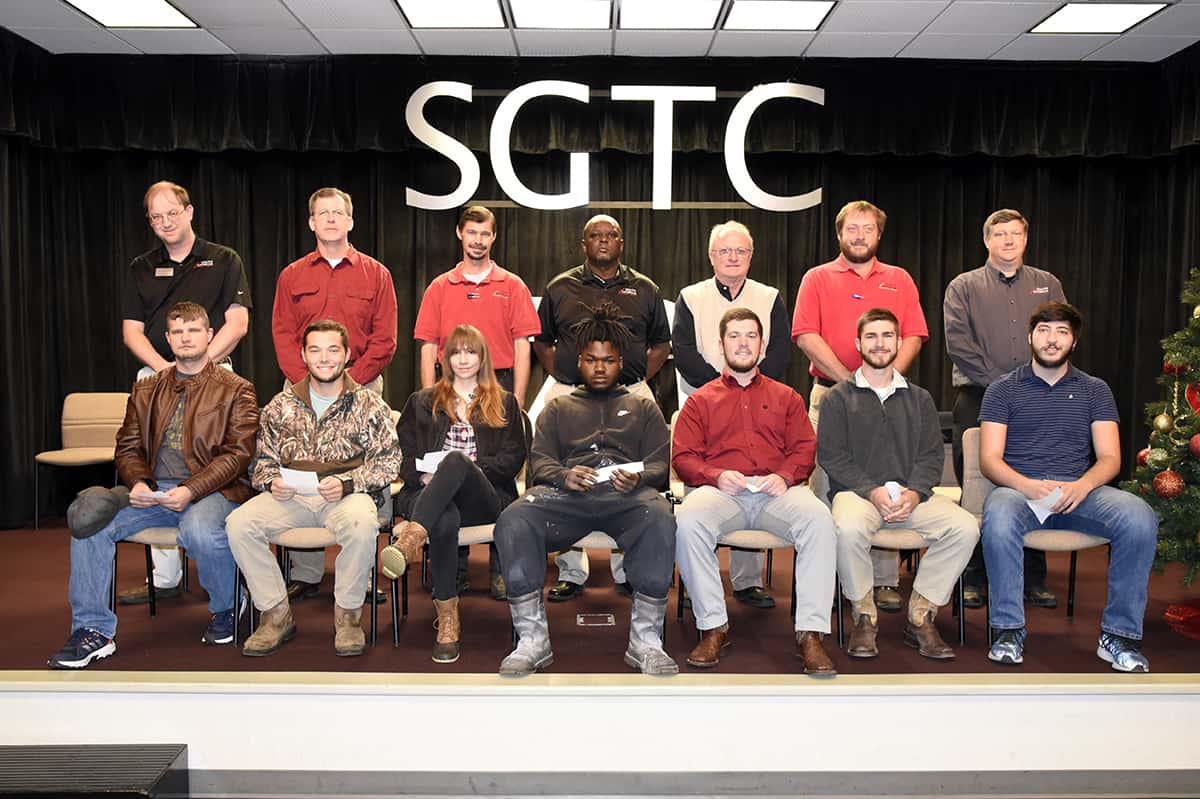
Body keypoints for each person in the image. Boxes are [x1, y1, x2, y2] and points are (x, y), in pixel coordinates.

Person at [48, 302, 258, 669]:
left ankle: (228, 605)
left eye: (193, 330)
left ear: (210, 336)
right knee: (89, 525)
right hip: (154, 490)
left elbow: (238, 455)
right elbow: (127, 445)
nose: (185, 338)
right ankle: (93, 631)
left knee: (200, 531)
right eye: (177, 331)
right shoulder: (146, 389)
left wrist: (191, 490)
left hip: (213, 489)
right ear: (167, 339)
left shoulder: (236, 389)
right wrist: (139, 482)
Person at [495, 303, 677, 676]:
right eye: (591, 360)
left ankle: (646, 640)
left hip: (627, 498)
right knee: (514, 518)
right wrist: (564, 477)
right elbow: (540, 462)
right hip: (568, 498)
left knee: (659, 514)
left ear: (619, 362)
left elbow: (660, 464)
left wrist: (640, 479)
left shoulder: (643, 407)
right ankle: (532, 639)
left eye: (607, 361)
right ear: (578, 362)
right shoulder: (557, 407)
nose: (599, 368)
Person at [980, 302, 1158, 672]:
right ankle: (1008, 630)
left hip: (1081, 493)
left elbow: (1110, 457)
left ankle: (1119, 636)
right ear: (1031, 337)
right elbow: (990, 460)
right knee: (997, 514)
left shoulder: (1095, 390)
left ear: (1073, 342)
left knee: (1139, 516)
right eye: (1044, 330)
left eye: (1062, 332)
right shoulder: (1002, 390)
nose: (1052, 339)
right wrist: (1027, 486)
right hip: (1022, 494)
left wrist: (1082, 485)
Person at [673, 307, 837, 676]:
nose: (743, 343)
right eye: (734, 336)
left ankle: (810, 633)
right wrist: (714, 475)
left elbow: (804, 449)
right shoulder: (700, 400)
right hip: (721, 493)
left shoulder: (788, 397)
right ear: (721, 345)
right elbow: (683, 457)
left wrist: (785, 474)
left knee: (819, 521)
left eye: (750, 336)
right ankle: (714, 626)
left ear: (762, 345)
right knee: (690, 521)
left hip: (775, 492)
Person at [226, 320, 400, 658]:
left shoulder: (368, 404)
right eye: (316, 350)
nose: (324, 358)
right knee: (239, 524)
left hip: (346, 496)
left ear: (347, 354)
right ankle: (276, 614)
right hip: (291, 496)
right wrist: (270, 481)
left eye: (333, 350)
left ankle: (348, 617)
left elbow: (389, 462)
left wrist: (349, 483)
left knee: (363, 523)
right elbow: (260, 461)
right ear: (304, 355)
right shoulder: (280, 405)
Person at [117, 181, 252, 607]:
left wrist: (199, 367)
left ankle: (218, 565)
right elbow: (131, 331)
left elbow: (237, 322)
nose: (165, 223)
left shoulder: (224, 259)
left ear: (189, 211)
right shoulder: (141, 266)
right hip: (157, 373)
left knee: (211, 465)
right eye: (156, 217)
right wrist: (168, 371)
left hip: (214, 371)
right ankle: (167, 577)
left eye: (171, 213)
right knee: (159, 464)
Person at [817, 308, 979, 661]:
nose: (879, 344)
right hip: (857, 495)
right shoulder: (836, 399)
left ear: (899, 343)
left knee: (965, 527)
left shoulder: (919, 399)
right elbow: (833, 457)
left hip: (911, 496)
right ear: (858, 343)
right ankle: (864, 614)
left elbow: (931, 457)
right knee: (846, 529)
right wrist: (872, 491)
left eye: (887, 336)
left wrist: (915, 493)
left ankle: (921, 614)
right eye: (871, 336)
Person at [792, 200, 929, 612]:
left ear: (878, 234)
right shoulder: (817, 277)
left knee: (886, 480)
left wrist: (883, 380)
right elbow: (805, 334)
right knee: (824, 490)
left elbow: (913, 336)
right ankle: (828, 578)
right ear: (839, 234)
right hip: (829, 396)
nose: (859, 235)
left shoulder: (899, 279)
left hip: (891, 398)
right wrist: (851, 382)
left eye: (867, 228)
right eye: (852, 228)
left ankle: (883, 581)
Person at [533, 214, 672, 601]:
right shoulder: (561, 287)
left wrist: (640, 373)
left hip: (630, 391)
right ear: (584, 244)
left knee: (635, 470)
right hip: (568, 390)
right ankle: (570, 571)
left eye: (611, 235)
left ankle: (627, 566)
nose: (604, 241)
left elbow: (661, 342)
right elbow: (542, 340)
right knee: (557, 468)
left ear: (622, 242)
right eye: (595, 235)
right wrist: (562, 373)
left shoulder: (644, 288)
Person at [271, 187, 397, 602]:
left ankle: (361, 576)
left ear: (350, 221)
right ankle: (307, 572)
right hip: (303, 390)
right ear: (311, 223)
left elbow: (385, 339)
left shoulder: (376, 274)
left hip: (362, 385)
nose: (329, 219)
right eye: (322, 213)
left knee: (363, 478)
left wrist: (349, 384)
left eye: (337, 213)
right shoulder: (292, 275)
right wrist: (306, 384)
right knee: (304, 472)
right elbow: (284, 333)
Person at [413, 205, 540, 599]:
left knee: (498, 476)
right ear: (460, 234)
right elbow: (428, 345)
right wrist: (433, 396)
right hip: (449, 385)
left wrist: (516, 401)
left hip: (497, 386)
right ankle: (457, 568)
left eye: (485, 234)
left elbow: (522, 345)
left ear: (494, 237)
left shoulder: (512, 285)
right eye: (472, 233)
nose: (478, 240)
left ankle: (502, 568)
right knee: (451, 461)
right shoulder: (439, 286)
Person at [380, 325, 527, 663]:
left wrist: (463, 473)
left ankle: (411, 538)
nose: (463, 359)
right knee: (443, 518)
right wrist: (424, 474)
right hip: (427, 494)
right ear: (444, 359)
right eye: (456, 352)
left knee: (457, 461)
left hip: (484, 497)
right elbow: (400, 455)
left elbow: (512, 458)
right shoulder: (422, 401)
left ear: (482, 358)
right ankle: (448, 619)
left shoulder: (504, 402)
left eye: (470, 352)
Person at [944, 209, 1067, 609]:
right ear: (987, 241)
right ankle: (973, 575)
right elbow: (958, 343)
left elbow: (1059, 335)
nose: (1008, 240)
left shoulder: (1046, 283)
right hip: (978, 395)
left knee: (1036, 477)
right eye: (1000, 234)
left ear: (1025, 239)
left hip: (1038, 395)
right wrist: (1003, 383)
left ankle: (1033, 577)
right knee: (976, 486)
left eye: (1016, 233)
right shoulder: (963, 286)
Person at [673, 221, 791, 610]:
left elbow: (778, 355)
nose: (733, 258)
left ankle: (746, 580)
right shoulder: (691, 296)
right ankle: (698, 585)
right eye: (725, 251)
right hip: (703, 405)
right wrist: (724, 388)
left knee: (754, 478)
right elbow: (685, 352)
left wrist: (749, 384)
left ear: (751, 256)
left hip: (762, 402)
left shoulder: (770, 296)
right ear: (711, 256)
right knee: (704, 491)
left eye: (741, 251)